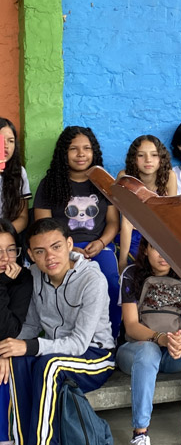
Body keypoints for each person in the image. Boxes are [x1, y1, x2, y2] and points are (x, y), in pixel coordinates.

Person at [0, 218, 115, 445]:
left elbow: (78, 344)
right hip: (55, 353)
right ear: (30, 255)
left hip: (95, 357)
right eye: (39, 251)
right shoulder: (35, 277)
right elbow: (30, 326)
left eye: (55, 247)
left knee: (49, 365)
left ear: (68, 245)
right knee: (19, 361)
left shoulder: (92, 279)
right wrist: (7, 351)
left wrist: (28, 346)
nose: (49, 256)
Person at [33, 127, 122, 338]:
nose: (81, 154)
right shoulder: (50, 185)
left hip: (98, 245)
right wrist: (68, 251)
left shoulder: (104, 184)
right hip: (60, 248)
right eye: (73, 149)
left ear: (94, 152)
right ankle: (70, 338)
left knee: (110, 280)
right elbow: (42, 225)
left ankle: (110, 340)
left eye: (86, 148)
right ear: (63, 153)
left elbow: (112, 222)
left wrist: (101, 243)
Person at [115, 237, 181, 445]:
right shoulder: (132, 275)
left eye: (168, 250)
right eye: (156, 248)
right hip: (135, 350)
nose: (163, 255)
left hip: (172, 350)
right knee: (149, 351)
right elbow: (130, 325)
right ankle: (140, 434)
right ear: (146, 250)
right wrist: (158, 337)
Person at [0, 219, 33, 445]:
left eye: (11, 249)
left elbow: (11, 329)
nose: (5, 257)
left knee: (6, 367)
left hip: (8, 345)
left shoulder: (23, 279)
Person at [117, 135, 177, 270]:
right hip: (133, 235)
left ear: (162, 158)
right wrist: (122, 261)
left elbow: (170, 216)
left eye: (154, 155)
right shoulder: (125, 177)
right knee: (134, 266)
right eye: (141, 155)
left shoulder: (169, 177)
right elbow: (126, 222)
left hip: (159, 233)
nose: (148, 160)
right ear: (133, 158)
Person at [0, 118, 31, 234]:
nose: (5, 145)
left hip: (8, 234)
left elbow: (23, 218)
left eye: (11, 141)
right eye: (1, 140)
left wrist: (5, 235)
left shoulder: (19, 172)